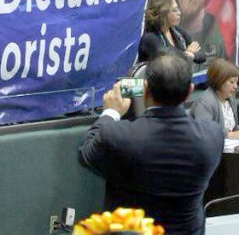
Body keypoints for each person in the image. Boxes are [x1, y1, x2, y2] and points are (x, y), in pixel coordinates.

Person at [77, 51, 224, 235]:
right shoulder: (212, 136)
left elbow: (85, 153)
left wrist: (111, 113)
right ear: (190, 91)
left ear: (145, 88)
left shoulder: (118, 136)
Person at [138, 0, 205, 64]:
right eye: (174, 10)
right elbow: (169, 56)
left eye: (178, 9)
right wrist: (189, 53)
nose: (179, 13)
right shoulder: (150, 37)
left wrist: (189, 55)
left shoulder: (178, 31)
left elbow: (202, 56)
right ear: (162, 13)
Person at [189, 58, 239, 140]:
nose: (236, 86)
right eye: (231, 82)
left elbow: (233, 128)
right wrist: (230, 135)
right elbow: (205, 132)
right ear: (219, 81)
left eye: (237, 82)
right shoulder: (205, 103)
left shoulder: (231, 98)